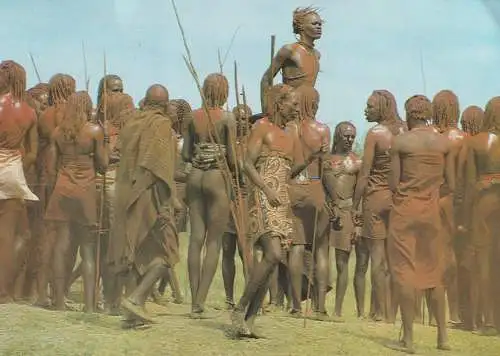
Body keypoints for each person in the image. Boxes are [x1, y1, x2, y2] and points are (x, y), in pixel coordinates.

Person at [107, 84, 179, 328]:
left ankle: (133, 316)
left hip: (125, 194)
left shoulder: (132, 123)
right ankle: (136, 299)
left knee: (135, 251)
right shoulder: (161, 125)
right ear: (164, 104)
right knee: (168, 252)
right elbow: (157, 168)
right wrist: (165, 206)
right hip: (149, 195)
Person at [387, 94, 453, 353]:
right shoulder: (442, 143)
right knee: (434, 272)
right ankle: (443, 337)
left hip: (405, 209)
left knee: (405, 270)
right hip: (432, 210)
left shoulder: (401, 141)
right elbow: (450, 181)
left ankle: (409, 339)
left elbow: (393, 182)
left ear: (411, 114)